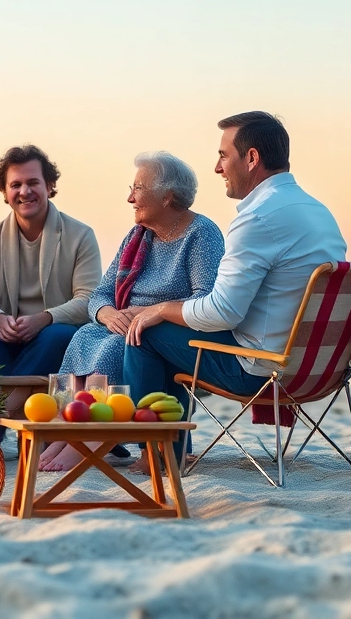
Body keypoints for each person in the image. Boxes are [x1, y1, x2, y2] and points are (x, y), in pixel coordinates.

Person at [121, 112, 348, 424]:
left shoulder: (257, 218)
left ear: (251, 158)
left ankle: (155, 454)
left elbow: (223, 313)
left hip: (262, 370)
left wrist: (159, 310)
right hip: (319, 369)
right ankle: (170, 450)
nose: (217, 168)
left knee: (146, 333)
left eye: (223, 156)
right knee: (171, 333)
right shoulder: (319, 212)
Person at [39, 151, 225, 472]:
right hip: (125, 323)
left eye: (138, 188)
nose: (129, 198)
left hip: (168, 332)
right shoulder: (138, 236)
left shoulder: (201, 235)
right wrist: (108, 313)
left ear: (167, 196)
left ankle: (94, 434)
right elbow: (99, 294)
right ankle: (69, 427)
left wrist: (149, 312)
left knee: (119, 344)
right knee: (84, 334)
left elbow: (204, 300)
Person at [0, 145, 102, 379]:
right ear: (4, 192)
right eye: (15, 185)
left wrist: (44, 319)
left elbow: (88, 300)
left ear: (49, 186)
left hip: (52, 333)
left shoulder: (81, 235)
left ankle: (4, 407)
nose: (24, 191)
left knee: (58, 335)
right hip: (8, 335)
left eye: (33, 182)